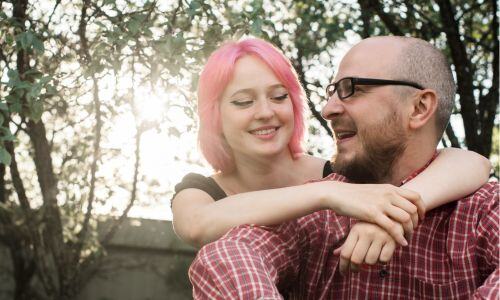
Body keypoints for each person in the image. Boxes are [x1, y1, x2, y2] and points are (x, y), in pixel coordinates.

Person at [187, 36, 498, 299]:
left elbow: (474, 163)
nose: (327, 109)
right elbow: (223, 254)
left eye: (352, 88)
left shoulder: (482, 210)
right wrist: (329, 193)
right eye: (332, 91)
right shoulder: (317, 206)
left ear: (418, 108)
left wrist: (396, 206)